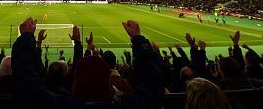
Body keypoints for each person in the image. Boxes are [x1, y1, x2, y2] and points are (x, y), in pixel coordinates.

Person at [12, 17, 164, 108]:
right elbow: (152, 83)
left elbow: (24, 78)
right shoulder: (129, 105)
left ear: (75, 84)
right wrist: (138, 39)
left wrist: (28, 37)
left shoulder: (56, 104)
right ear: (108, 82)